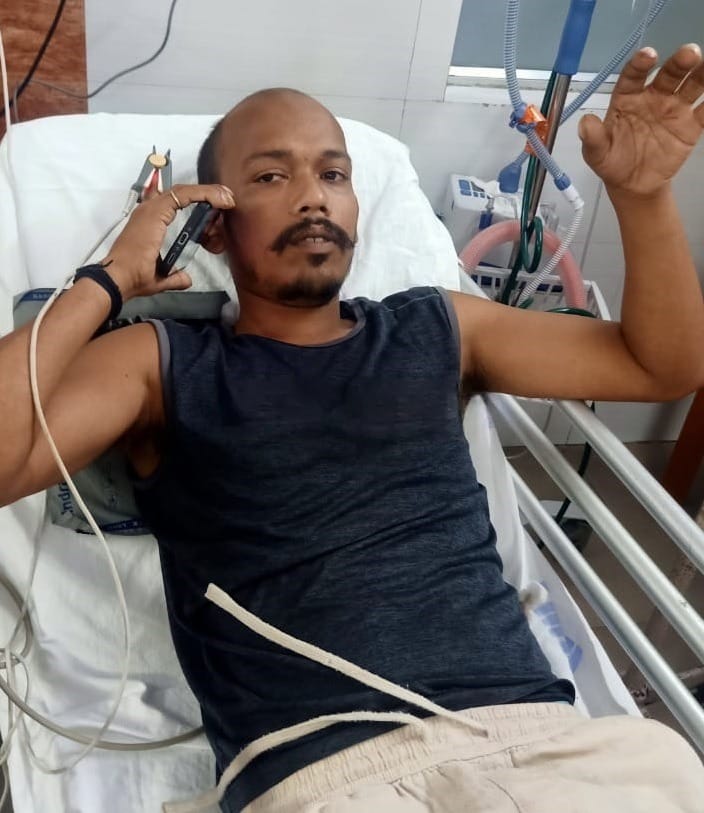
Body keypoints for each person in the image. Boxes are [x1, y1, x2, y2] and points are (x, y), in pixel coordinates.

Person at [1, 43, 704, 813]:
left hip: (538, 742)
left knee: (668, 764)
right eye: (271, 177)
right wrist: (109, 280)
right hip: (330, 777)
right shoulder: (161, 363)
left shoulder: (441, 327)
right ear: (213, 227)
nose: (313, 197)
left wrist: (643, 198)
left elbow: (658, 368)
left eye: (333, 174)